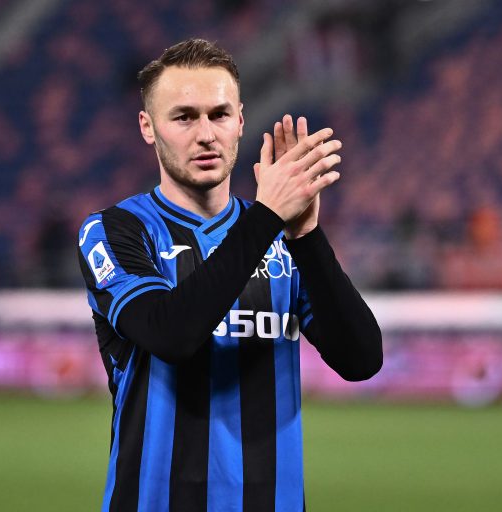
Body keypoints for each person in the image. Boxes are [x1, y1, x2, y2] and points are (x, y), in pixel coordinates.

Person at [77, 38, 382, 512]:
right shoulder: (116, 231)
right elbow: (171, 334)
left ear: (240, 120)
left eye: (219, 115)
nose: (205, 134)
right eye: (183, 116)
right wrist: (267, 218)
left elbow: (361, 359)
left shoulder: (281, 240)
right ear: (148, 127)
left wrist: (305, 236)